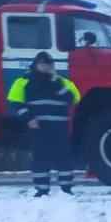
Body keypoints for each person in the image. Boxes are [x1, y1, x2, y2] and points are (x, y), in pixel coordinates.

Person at [6, 52, 82, 197]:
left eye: (49, 64)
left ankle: (66, 189)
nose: (46, 67)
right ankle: (42, 190)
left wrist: (56, 82)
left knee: (64, 158)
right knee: (40, 158)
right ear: (36, 65)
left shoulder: (62, 81)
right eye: (43, 64)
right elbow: (15, 103)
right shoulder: (23, 81)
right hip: (38, 127)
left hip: (60, 128)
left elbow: (73, 99)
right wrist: (28, 118)